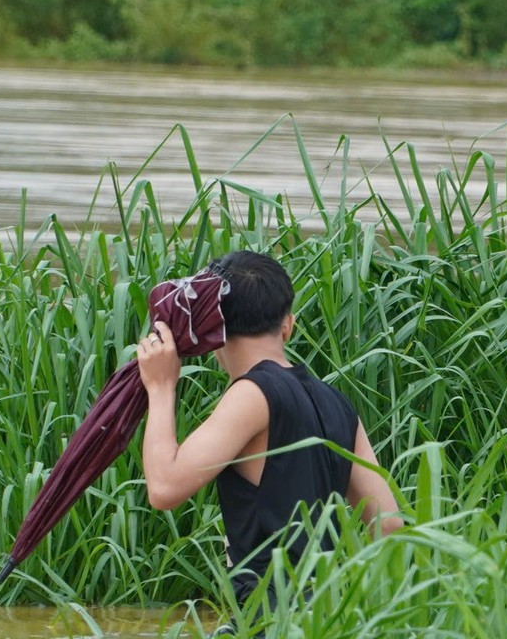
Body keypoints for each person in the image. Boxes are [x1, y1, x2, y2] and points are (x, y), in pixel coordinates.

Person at [136, 250, 401, 610]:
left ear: (214, 329)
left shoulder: (251, 395)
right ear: (288, 325)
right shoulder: (337, 402)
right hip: (322, 624)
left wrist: (161, 388)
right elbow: (388, 527)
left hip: (265, 631)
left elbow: (164, 488)